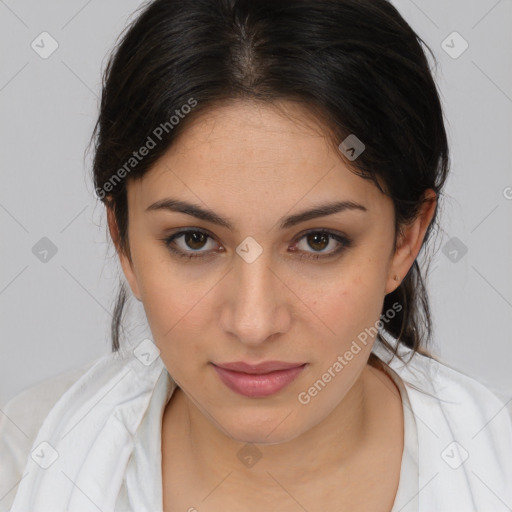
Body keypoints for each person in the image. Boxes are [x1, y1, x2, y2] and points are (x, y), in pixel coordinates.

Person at [1, 0, 511, 511]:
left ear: (406, 239)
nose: (253, 323)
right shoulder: (23, 464)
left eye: (318, 241)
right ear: (123, 241)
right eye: (194, 240)